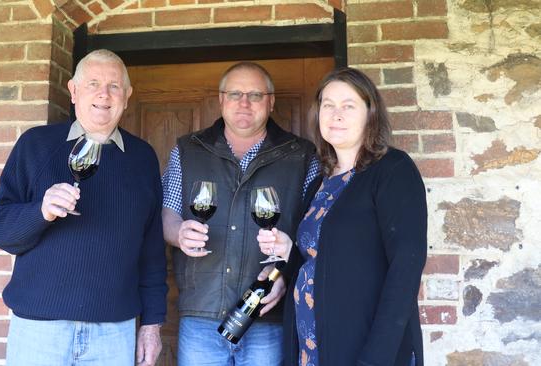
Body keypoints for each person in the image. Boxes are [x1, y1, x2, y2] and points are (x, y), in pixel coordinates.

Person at [0, 49, 168, 366]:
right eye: (93, 83)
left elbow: (151, 248)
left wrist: (152, 324)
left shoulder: (142, 157)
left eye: (113, 86)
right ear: (73, 91)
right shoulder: (36, 145)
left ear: (127, 95)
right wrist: (39, 212)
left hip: (114, 331)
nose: (103, 94)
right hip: (40, 329)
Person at [258, 67, 427, 366]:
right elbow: (323, 259)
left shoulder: (392, 170)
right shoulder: (320, 182)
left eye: (348, 106)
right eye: (328, 105)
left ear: (370, 115)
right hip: (312, 344)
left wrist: (375, 360)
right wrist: (289, 251)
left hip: (364, 346)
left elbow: (405, 269)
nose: (336, 115)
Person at [162, 62, 320, 365]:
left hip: (267, 315)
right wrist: (179, 233)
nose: (244, 103)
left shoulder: (301, 155)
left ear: (271, 101)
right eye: (235, 94)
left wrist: (285, 276)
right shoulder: (187, 149)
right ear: (221, 100)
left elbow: (313, 233)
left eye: (255, 95)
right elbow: (167, 215)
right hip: (201, 314)